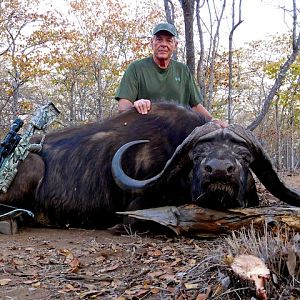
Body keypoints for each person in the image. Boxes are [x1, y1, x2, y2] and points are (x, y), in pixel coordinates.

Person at [115, 22, 226, 127]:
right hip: (146, 131)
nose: (163, 44)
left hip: (179, 133)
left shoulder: (183, 70)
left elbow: (195, 106)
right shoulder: (136, 68)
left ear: (175, 45)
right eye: (159, 40)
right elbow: (123, 106)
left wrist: (212, 120)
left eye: (169, 41)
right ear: (151, 43)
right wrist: (136, 106)